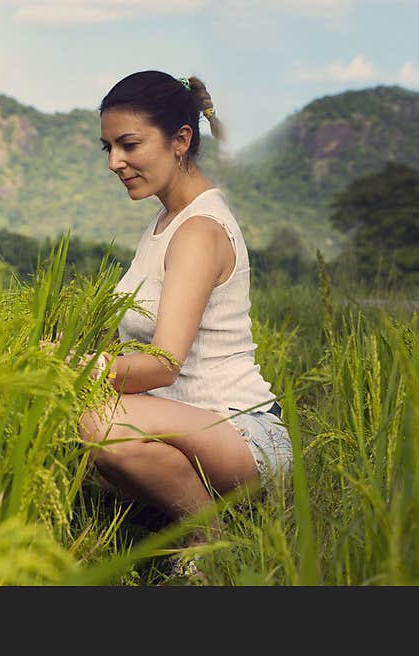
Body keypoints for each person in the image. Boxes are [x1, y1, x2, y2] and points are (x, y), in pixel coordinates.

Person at [76, 71, 293, 571]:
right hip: (183, 427)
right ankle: (167, 519)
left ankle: (210, 546)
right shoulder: (164, 222)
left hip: (242, 432)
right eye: (107, 147)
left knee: (98, 422)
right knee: (71, 441)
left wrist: (76, 371)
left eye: (129, 144)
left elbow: (164, 363)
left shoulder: (198, 229)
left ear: (181, 139)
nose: (115, 162)